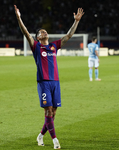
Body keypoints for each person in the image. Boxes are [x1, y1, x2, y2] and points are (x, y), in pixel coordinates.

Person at [14, 5, 84, 149]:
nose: (45, 32)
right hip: (44, 82)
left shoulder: (54, 46)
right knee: (48, 111)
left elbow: (68, 35)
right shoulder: (36, 47)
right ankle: (55, 141)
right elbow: (26, 33)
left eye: (45, 31)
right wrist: (19, 18)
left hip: (56, 82)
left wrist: (76, 21)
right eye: (41, 32)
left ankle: (40, 135)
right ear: (38, 38)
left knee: (54, 113)